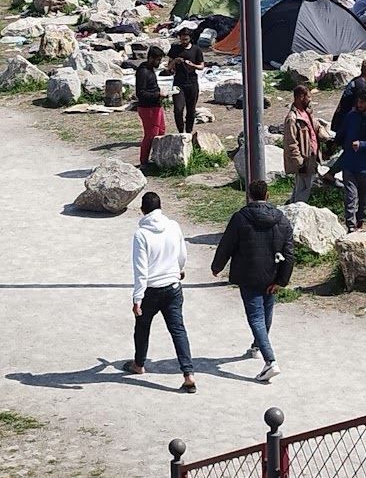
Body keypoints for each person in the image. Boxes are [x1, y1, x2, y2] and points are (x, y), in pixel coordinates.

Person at [211, 180, 294, 383]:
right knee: (266, 315)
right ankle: (257, 346)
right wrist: (282, 280)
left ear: (249, 195)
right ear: (267, 195)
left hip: (248, 276)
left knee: (256, 318)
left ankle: (270, 362)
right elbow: (289, 254)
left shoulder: (240, 218)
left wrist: (217, 267)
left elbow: (226, 245)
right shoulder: (281, 220)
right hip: (272, 276)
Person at [123, 192, 196, 393]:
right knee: (178, 330)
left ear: (142, 210)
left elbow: (141, 269)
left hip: (151, 291)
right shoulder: (173, 226)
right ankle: (188, 374)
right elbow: (182, 254)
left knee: (142, 326)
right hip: (173, 287)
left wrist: (137, 298)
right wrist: (179, 270)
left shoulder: (141, 234)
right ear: (160, 207)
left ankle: (139, 364)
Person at [334, 88, 366, 233]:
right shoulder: (352, 116)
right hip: (349, 164)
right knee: (350, 197)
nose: (359, 104)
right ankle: (350, 225)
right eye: (358, 101)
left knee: (364, 199)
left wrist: (363, 145)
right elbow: (342, 132)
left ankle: (360, 220)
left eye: (362, 102)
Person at [283, 85, 322, 203]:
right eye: (308, 97)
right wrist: (299, 161)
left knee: (304, 186)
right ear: (300, 97)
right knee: (303, 189)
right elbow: (291, 142)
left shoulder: (307, 112)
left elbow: (314, 128)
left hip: (312, 156)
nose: (310, 100)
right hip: (304, 160)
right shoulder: (292, 118)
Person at [167, 30, 204, 135]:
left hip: (192, 82)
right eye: (182, 39)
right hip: (178, 83)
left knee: (191, 110)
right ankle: (180, 131)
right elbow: (168, 67)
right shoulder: (175, 49)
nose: (184, 41)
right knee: (178, 109)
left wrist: (192, 65)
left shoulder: (196, 49)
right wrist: (175, 61)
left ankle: (188, 131)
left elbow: (201, 66)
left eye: (186, 39)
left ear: (190, 38)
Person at [135, 46, 166, 167]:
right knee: (151, 135)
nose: (159, 62)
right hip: (148, 108)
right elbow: (141, 93)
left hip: (156, 105)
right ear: (151, 58)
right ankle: (144, 162)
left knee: (161, 131)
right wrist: (158, 94)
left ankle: (157, 157)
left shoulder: (150, 69)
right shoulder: (143, 71)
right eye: (158, 59)